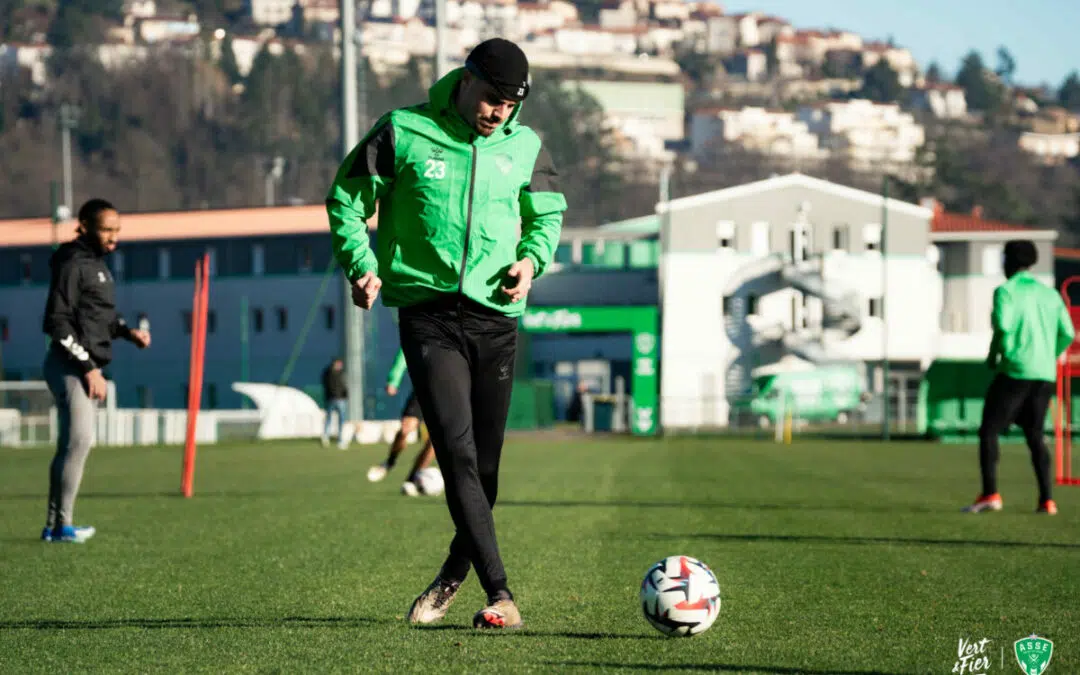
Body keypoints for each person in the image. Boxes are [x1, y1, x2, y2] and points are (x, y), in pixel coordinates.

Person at [326, 37, 566, 629]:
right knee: (455, 453)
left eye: (510, 106)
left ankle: (451, 575)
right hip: (429, 315)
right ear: (465, 80)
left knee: (485, 472)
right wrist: (361, 264)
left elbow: (549, 213)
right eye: (490, 99)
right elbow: (346, 200)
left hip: (497, 317)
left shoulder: (526, 146)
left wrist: (530, 261)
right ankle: (501, 594)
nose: (498, 113)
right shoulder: (403, 131)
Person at [40, 198, 151, 543]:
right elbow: (57, 322)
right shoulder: (73, 262)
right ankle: (62, 527)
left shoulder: (97, 265)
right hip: (70, 366)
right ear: (84, 226)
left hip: (84, 365)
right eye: (106, 229)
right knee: (79, 442)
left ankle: (55, 525)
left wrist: (128, 333)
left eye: (117, 230)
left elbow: (98, 318)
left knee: (72, 445)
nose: (113, 237)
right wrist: (89, 369)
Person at [965, 240, 1075, 515]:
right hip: (1044, 373)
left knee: (989, 430)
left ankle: (990, 493)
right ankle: (1047, 500)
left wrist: (996, 356)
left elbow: (1003, 325)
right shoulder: (1049, 294)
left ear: (1008, 262)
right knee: (1035, 434)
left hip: (1016, 369)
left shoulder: (1006, 291)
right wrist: (1050, 354)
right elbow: (1068, 333)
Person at [366, 348, 438, 496]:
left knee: (436, 443)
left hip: (449, 394)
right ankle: (390, 461)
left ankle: (411, 480)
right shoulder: (426, 329)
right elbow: (405, 352)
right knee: (405, 429)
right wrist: (393, 380)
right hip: (423, 390)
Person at [320, 357, 350, 449]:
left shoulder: (342, 373)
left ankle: (341, 438)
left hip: (341, 399)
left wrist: (345, 395)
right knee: (329, 418)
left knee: (342, 419)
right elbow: (327, 385)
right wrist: (332, 394)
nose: (339, 365)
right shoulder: (328, 373)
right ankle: (326, 437)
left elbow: (345, 385)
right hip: (331, 399)